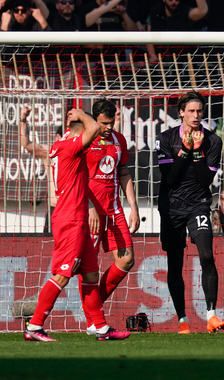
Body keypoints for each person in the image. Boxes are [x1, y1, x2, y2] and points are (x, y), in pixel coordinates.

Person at [24, 109, 130, 342]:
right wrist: (82, 113)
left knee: (91, 275)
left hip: (77, 216)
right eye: (87, 136)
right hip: (70, 217)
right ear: (78, 134)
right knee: (62, 275)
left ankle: (100, 327)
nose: (92, 139)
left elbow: (26, 143)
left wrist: (23, 121)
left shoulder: (55, 147)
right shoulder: (71, 147)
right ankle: (35, 325)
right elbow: (92, 129)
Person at [156, 91, 224, 334]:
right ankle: (183, 319)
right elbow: (170, 177)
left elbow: (206, 179)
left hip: (198, 203)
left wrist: (196, 151)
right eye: (192, 111)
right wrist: (185, 150)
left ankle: (212, 316)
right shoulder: (165, 138)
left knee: (207, 254)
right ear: (181, 113)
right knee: (175, 264)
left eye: (200, 111)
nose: (196, 115)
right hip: (171, 206)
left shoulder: (213, 141)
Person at [81, 99, 140, 335]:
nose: (109, 127)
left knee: (127, 260)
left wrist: (133, 207)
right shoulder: (85, 139)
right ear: (95, 120)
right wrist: (88, 207)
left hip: (114, 209)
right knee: (89, 267)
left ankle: (93, 311)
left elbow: (124, 173)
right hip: (91, 210)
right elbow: (76, 175)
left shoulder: (119, 140)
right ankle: (93, 321)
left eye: (112, 122)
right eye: (104, 123)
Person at [19, 104, 61, 235]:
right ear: (57, 137)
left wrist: (116, 123)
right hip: (55, 208)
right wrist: (23, 120)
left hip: (74, 209)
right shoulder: (50, 153)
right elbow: (26, 144)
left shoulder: (79, 153)